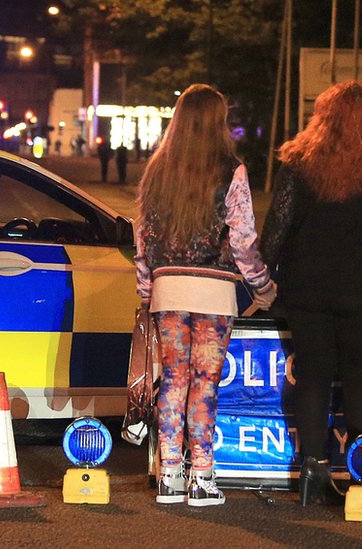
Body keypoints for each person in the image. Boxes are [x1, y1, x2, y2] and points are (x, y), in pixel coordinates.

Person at [260, 80, 362, 506]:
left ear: (320, 118)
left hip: (307, 286)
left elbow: (275, 234)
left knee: (314, 377)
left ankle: (311, 470)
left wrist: (262, 275)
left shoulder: (298, 164)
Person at [134, 83, 277, 507]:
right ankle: (202, 477)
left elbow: (142, 239)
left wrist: (147, 290)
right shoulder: (231, 171)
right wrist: (263, 287)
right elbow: (243, 241)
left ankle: (170, 474)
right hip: (215, 292)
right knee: (205, 384)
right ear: (218, 121)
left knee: (174, 379)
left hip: (169, 289)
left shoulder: (157, 171)